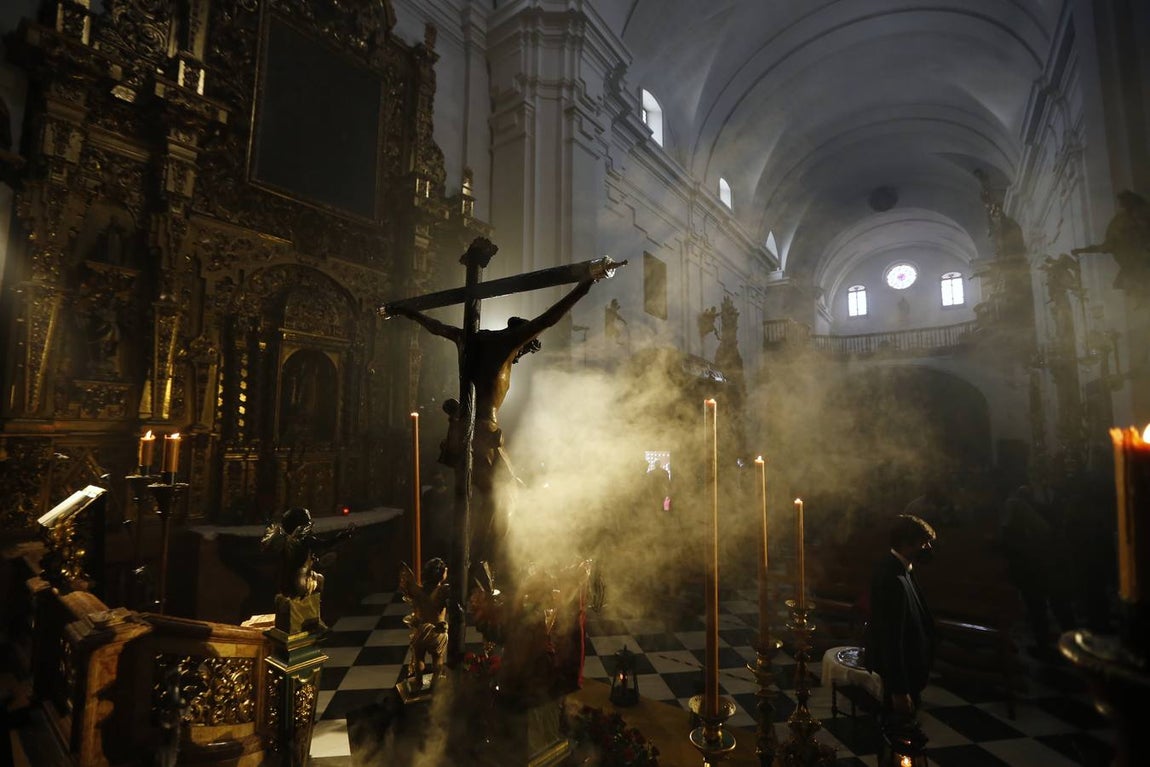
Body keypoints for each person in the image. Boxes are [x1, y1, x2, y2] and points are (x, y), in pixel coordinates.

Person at [864, 514, 937, 722]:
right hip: (898, 678)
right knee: (898, 730)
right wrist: (899, 690)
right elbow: (890, 637)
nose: (928, 548)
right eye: (924, 543)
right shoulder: (891, 577)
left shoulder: (903, 569)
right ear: (906, 544)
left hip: (910, 670)